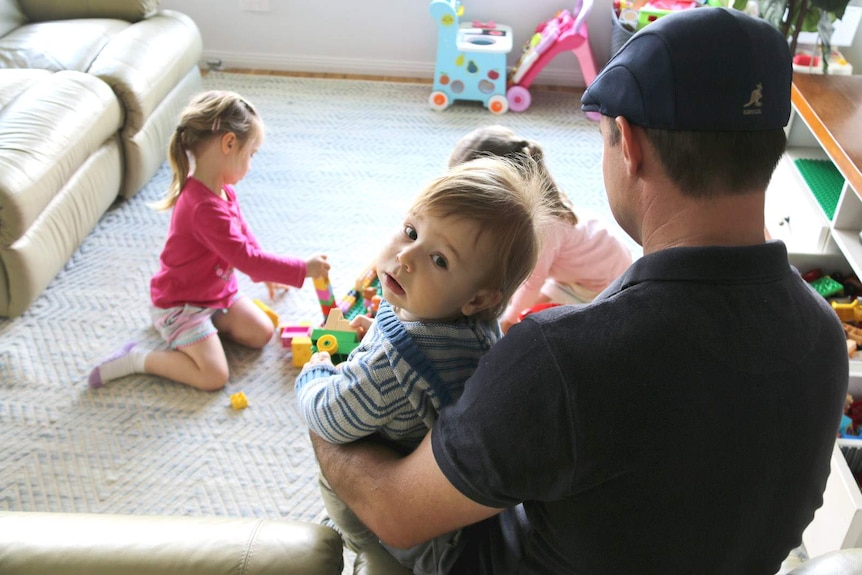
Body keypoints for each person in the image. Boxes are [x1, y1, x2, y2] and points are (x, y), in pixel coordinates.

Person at [306, 8, 850, 574]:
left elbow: (395, 510)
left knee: (354, 451)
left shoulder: (562, 358)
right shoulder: (823, 335)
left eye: (604, 137)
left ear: (630, 146)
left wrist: (324, 399)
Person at [295, 156, 549, 573]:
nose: (407, 256)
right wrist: (374, 332)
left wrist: (317, 371)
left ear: (479, 298)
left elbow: (329, 415)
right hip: (454, 501)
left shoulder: (389, 367)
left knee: (337, 475)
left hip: (416, 536)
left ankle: (363, 545)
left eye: (440, 260)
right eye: (411, 231)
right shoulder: (475, 325)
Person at [89, 90, 330, 391]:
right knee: (214, 377)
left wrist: (271, 272)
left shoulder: (224, 190)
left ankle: (207, 332)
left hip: (216, 294)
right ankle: (138, 358)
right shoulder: (203, 207)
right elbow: (248, 262)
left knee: (262, 333)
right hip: (182, 304)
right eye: (251, 154)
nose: (251, 165)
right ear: (229, 143)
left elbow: (245, 240)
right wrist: (301, 268)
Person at [448, 125, 633, 333]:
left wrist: (508, 322)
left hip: (598, 283)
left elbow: (531, 283)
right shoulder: (541, 203)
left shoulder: (542, 229)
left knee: (529, 320)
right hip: (601, 257)